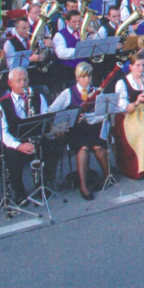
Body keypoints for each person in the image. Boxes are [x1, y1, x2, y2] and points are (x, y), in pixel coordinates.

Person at [48, 62, 112, 200]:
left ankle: (107, 176)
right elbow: (51, 111)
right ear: (77, 77)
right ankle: (83, 185)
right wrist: (62, 124)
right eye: (83, 77)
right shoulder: (68, 93)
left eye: (89, 76)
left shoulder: (97, 91)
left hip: (94, 127)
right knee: (82, 149)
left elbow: (105, 113)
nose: (86, 80)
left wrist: (92, 117)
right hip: (76, 129)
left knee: (99, 148)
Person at [0, 67, 56, 205]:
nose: (23, 84)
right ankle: (19, 191)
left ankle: (43, 182)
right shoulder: (2, 104)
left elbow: (45, 120)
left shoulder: (38, 97)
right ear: (10, 83)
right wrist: (18, 146)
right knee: (11, 155)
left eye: (25, 80)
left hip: (35, 137)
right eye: (18, 81)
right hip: (16, 141)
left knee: (53, 145)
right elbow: (1, 132)